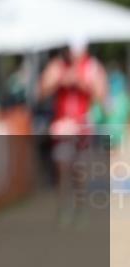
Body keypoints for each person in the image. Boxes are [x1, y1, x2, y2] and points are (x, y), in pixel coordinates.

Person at [37, 36, 108, 224]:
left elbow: (103, 98)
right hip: (62, 124)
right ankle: (63, 207)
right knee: (62, 165)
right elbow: (41, 92)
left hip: (83, 123)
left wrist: (83, 83)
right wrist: (60, 80)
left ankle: (80, 205)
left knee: (80, 168)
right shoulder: (57, 66)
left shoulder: (92, 67)